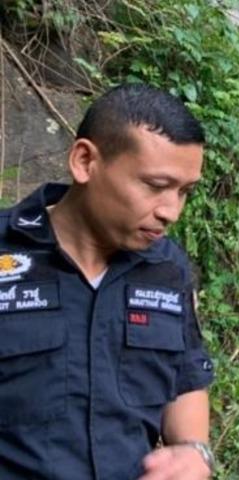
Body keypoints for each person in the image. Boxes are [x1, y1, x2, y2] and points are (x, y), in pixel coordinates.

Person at [0, 84, 215, 479]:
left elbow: (185, 375)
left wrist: (193, 451)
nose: (171, 212)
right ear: (84, 161)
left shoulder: (168, 268)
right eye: (155, 186)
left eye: (184, 192)